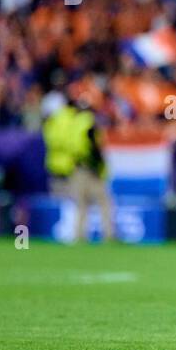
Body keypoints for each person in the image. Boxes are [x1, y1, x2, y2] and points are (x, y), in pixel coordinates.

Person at [42, 92, 114, 243]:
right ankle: (109, 235)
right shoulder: (88, 122)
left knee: (81, 205)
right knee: (104, 202)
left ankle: (79, 236)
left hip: (76, 167)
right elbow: (95, 148)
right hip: (90, 168)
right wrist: (100, 166)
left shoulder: (68, 121)